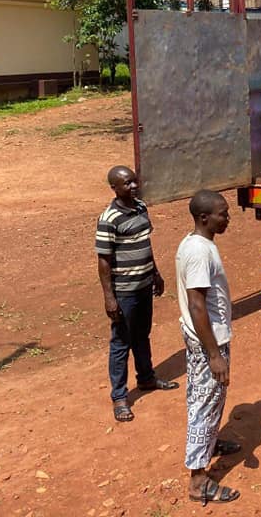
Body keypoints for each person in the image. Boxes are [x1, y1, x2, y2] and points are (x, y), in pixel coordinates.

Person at [95, 165, 178, 423]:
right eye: (126, 183)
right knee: (121, 342)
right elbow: (104, 260)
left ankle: (146, 378)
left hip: (144, 284)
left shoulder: (141, 207)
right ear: (114, 188)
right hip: (124, 291)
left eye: (134, 181)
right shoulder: (109, 219)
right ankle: (119, 397)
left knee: (142, 334)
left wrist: (155, 273)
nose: (132, 186)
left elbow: (145, 244)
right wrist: (109, 297)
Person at [176, 189, 241, 505]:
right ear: (204, 218)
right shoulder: (200, 252)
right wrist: (214, 354)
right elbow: (197, 304)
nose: (227, 217)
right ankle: (199, 480)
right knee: (206, 401)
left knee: (204, 398)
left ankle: (210, 442)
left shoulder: (194, 243)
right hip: (208, 341)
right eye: (222, 213)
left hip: (201, 337)